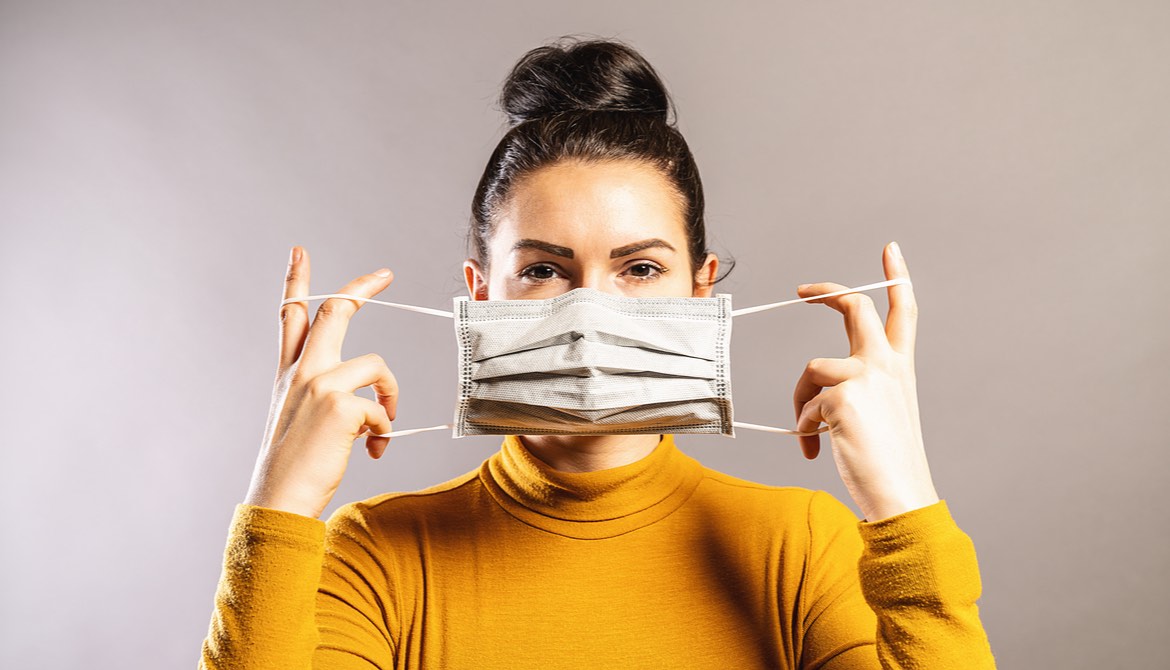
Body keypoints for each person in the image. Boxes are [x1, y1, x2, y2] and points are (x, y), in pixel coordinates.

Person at [200, 36, 996, 669]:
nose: (590, 311)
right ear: (482, 296)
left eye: (640, 268)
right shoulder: (377, 552)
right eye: (544, 270)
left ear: (700, 289)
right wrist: (279, 505)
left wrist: (907, 509)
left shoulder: (803, 547)